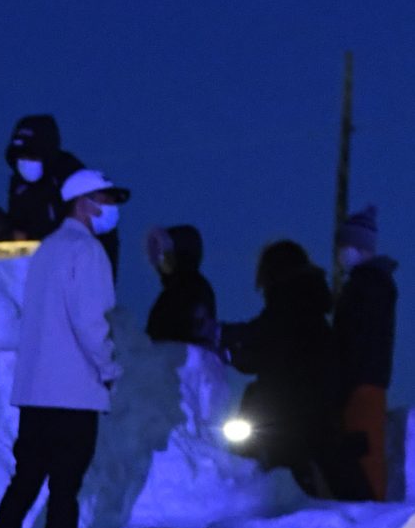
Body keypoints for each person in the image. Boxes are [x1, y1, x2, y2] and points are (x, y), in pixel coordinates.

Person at [0, 168, 126, 528]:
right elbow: (92, 321)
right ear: (83, 202)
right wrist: (109, 368)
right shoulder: (88, 251)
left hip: (36, 390)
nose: (111, 209)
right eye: (106, 200)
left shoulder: (47, 250)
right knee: (65, 487)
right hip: (74, 391)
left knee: (25, 480)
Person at [210, 241, 342, 495]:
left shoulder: (289, 301)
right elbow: (268, 345)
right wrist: (232, 352)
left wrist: (221, 337)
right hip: (309, 402)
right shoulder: (305, 301)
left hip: (291, 405)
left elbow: (264, 339)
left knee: (284, 462)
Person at [334, 206, 398, 501]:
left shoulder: (368, 285)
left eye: (345, 245)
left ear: (361, 247)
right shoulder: (370, 283)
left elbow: (356, 336)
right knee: (362, 447)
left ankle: (372, 508)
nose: (341, 253)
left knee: (364, 449)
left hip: (363, 378)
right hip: (365, 377)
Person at [3, 115, 80, 244]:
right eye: (21, 157)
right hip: (36, 252)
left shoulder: (73, 179)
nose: (25, 162)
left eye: (32, 156)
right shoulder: (19, 184)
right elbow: (16, 221)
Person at [144, 225, 217, 346]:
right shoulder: (173, 292)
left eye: (166, 256)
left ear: (181, 256)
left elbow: (192, 334)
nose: (160, 264)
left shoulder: (192, 289)